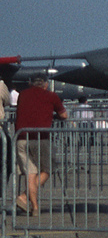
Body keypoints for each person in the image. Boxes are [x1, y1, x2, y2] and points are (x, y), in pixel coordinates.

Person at [15, 75, 67, 215]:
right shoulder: (51, 96)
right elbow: (64, 115)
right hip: (40, 137)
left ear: (31, 83)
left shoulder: (23, 94)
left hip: (21, 137)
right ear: (45, 84)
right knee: (48, 168)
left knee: (30, 173)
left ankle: (35, 207)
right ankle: (25, 197)